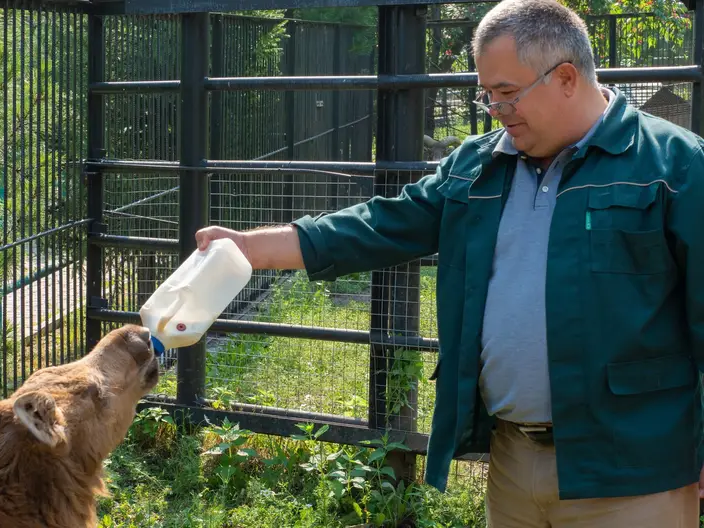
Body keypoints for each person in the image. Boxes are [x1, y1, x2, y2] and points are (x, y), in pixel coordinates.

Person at [196, 0, 704, 525]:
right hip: (512, 462)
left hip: (636, 472)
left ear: (567, 78)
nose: (493, 108)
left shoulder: (675, 166)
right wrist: (249, 248)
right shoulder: (479, 167)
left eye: (507, 93)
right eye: (487, 93)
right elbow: (380, 224)